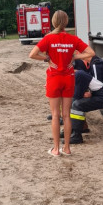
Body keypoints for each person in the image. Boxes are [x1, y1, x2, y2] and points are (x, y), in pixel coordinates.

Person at [29, 10, 94, 156]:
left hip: (54, 78)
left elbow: (32, 54)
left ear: (53, 22)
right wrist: (75, 57)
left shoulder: (48, 38)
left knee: (55, 115)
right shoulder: (72, 39)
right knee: (66, 115)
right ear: (66, 22)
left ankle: (56, 149)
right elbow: (91, 53)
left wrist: (47, 59)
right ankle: (67, 148)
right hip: (69, 77)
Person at [68, 55, 103, 144]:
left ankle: (76, 135)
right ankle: (74, 130)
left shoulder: (78, 75)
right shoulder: (79, 73)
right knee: (75, 103)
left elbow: (77, 95)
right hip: (101, 95)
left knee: (76, 105)